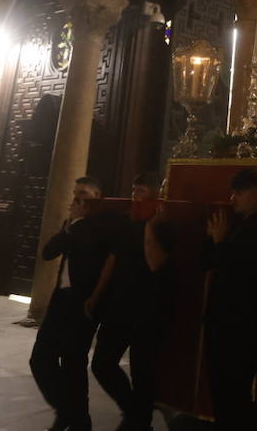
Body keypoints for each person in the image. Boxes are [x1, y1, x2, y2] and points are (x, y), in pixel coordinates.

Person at [30, 176, 117, 431]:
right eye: (75, 195)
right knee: (41, 359)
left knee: (73, 362)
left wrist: (76, 225)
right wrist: (70, 226)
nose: (76, 201)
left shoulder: (103, 224)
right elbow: (49, 252)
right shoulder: (73, 225)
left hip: (84, 304)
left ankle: (76, 420)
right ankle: (71, 413)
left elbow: (91, 254)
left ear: (96, 199)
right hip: (61, 300)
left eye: (83, 196)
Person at [91, 173, 169, 431]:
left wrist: (149, 228)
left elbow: (155, 263)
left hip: (148, 309)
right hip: (119, 305)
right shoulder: (125, 221)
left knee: (142, 371)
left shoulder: (162, 222)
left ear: (155, 193)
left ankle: (139, 421)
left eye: (142, 191)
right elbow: (113, 258)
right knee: (102, 363)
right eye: (134, 190)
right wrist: (96, 295)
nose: (136, 195)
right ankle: (134, 411)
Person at [203, 167, 257, 430]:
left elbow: (241, 275)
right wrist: (214, 241)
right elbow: (209, 264)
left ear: (255, 195)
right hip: (223, 322)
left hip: (243, 326)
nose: (232, 198)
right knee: (222, 393)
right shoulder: (237, 225)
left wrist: (220, 243)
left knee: (235, 393)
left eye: (239, 193)